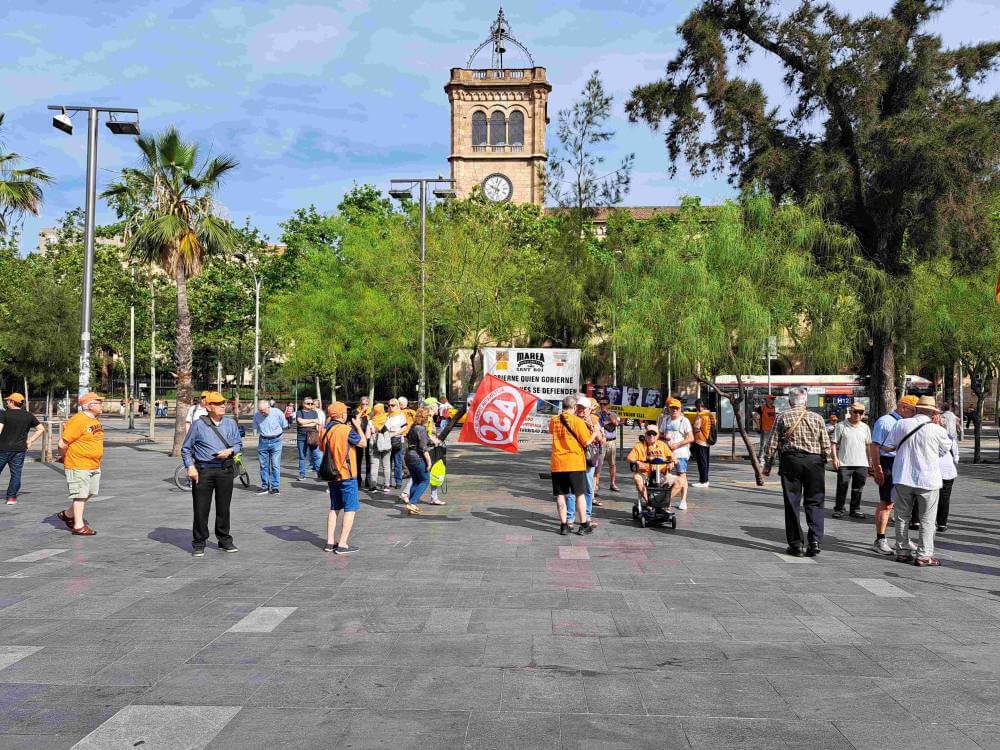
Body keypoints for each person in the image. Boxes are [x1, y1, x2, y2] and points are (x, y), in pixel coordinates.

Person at [881, 395, 951, 567]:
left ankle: (902, 552)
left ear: (917, 409)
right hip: (928, 479)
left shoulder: (901, 424)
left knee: (901, 517)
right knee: (927, 519)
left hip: (902, 477)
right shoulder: (938, 430)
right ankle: (924, 555)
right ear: (933, 413)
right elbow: (944, 451)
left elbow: (887, 447)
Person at [762, 386, 830, 557]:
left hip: (791, 461)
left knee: (792, 502)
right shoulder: (817, 418)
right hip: (814, 462)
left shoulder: (782, 417)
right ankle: (815, 541)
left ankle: (796, 544)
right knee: (815, 501)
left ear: (790, 402)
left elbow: (772, 443)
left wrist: (767, 464)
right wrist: (824, 461)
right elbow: (826, 445)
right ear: (805, 401)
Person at [182, 392, 242, 556]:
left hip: (225, 469)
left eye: (223, 403)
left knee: (224, 508)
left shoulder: (230, 423)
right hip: (204, 470)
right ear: (208, 407)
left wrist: (230, 450)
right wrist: (190, 467)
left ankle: (224, 540)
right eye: (217, 403)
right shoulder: (198, 425)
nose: (222, 405)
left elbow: (238, 443)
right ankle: (199, 542)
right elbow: (186, 448)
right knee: (201, 508)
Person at [869, 395, 919, 555]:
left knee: (904, 503)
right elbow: (875, 446)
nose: (915, 414)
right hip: (888, 463)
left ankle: (902, 538)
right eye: (913, 411)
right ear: (903, 407)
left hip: (903, 463)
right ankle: (880, 539)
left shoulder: (910, 423)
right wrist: (877, 468)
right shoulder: (885, 422)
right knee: (887, 502)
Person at [319, 402, 366, 553]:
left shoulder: (324, 430)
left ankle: (330, 542)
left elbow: (321, 447)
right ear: (341, 414)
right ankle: (343, 544)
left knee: (334, 507)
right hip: (347, 474)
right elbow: (363, 443)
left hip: (332, 474)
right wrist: (358, 426)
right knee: (350, 508)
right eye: (345, 412)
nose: (347, 414)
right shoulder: (346, 430)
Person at [57, 392, 105, 536]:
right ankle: (78, 526)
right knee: (80, 495)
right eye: (98, 403)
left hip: (94, 464)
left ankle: (67, 514)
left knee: (90, 492)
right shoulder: (78, 420)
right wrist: (65, 457)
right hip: (78, 463)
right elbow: (62, 443)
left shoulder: (95, 420)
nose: (101, 405)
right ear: (89, 405)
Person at [549, 394, 597, 535]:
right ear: (574, 407)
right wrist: (594, 433)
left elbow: (551, 431)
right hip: (575, 463)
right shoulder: (577, 421)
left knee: (560, 495)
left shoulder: (554, 420)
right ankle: (584, 525)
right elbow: (586, 442)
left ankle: (564, 525)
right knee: (579, 494)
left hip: (558, 463)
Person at [0, 393, 44, 505]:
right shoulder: (28, 415)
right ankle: (11, 498)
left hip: (3, 448)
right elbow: (41, 429)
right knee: (16, 474)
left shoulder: (4, 414)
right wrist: (30, 441)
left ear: (12, 402)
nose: (6, 402)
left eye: (8, 400)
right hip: (19, 449)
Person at [830, 402, 872, 519]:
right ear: (850, 412)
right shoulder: (841, 425)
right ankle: (839, 509)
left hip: (861, 463)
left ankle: (855, 509)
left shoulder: (865, 427)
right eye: (855, 412)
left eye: (861, 412)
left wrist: (870, 460)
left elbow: (868, 445)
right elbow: (833, 443)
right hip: (845, 463)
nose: (858, 414)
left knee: (858, 489)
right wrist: (835, 458)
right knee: (842, 487)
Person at [627, 425, 680, 506]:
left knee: (680, 481)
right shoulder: (639, 446)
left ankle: (662, 502)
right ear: (645, 435)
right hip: (646, 474)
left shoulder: (662, 445)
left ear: (657, 435)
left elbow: (674, 458)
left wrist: (672, 463)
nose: (651, 436)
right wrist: (637, 462)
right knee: (637, 478)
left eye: (654, 434)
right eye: (649, 433)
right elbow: (629, 458)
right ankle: (650, 503)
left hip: (662, 474)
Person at [658, 398, 693, 510]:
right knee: (666, 476)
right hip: (667, 454)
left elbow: (691, 438)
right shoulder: (666, 420)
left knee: (682, 476)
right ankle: (666, 499)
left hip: (681, 454)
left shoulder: (684, 421)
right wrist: (664, 437)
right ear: (669, 408)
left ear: (680, 409)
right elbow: (659, 435)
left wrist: (677, 445)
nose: (674, 410)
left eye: (676, 408)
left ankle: (683, 500)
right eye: (672, 408)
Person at [405, 407, 442, 510]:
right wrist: (429, 462)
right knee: (425, 480)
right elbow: (423, 448)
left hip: (408, 456)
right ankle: (413, 502)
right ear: (425, 417)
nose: (430, 418)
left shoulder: (413, 426)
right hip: (417, 457)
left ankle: (411, 504)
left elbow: (417, 439)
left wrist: (431, 440)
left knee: (416, 481)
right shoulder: (421, 429)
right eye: (429, 416)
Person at [252, 399, 288, 495]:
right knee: (263, 465)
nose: (262, 413)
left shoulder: (277, 412)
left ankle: (275, 487)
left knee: (275, 464)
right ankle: (265, 486)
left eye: (263, 411)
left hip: (276, 440)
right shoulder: (256, 415)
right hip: (263, 441)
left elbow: (284, 425)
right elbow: (255, 427)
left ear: (268, 407)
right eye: (260, 411)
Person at [936, 410, 958, 533]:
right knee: (945, 498)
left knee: (930, 497)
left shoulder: (930, 433)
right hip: (948, 471)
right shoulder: (950, 437)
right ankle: (942, 524)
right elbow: (956, 456)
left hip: (933, 470)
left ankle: (918, 521)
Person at [594, 397, 620, 493]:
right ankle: (596, 485)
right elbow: (599, 425)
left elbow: (616, 423)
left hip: (612, 442)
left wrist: (610, 417)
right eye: (601, 404)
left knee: (612, 464)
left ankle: (613, 483)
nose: (602, 406)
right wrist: (609, 421)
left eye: (604, 404)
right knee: (599, 465)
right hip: (602, 442)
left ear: (608, 405)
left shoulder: (613, 414)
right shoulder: (597, 415)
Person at [294, 397, 323, 480]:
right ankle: (302, 474)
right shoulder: (299, 412)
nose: (310, 405)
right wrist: (312, 421)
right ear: (303, 404)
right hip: (301, 437)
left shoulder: (314, 412)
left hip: (313, 436)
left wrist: (305, 423)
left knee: (316, 455)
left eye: (311, 403)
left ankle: (319, 474)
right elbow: (300, 422)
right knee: (302, 456)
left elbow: (317, 422)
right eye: (308, 403)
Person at [691, 399, 715, 488]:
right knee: (706, 461)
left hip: (700, 440)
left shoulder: (700, 415)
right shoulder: (710, 414)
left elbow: (696, 427)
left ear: (698, 406)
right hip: (708, 440)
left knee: (701, 462)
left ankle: (703, 481)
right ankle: (705, 480)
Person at [368, 403, 392, 492]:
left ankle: (373, 486)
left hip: (374, 444)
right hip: (386, 445)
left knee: (374, 466)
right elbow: (391, 431)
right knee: (386, 465)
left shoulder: (371, 421)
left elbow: (367, 435)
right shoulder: (387, 419)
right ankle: (386, 486)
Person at [385, 399, 408, 490]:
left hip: (397, 440)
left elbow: (404, 427)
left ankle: (398, 482)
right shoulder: (386, 416)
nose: (390, 407)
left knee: (397, 462)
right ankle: (388, 482)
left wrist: (394, 433)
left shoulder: (401, 416)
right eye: (389, 405)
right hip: (387, 440)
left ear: (397, 406)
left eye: (392, 405)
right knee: (387, 462)